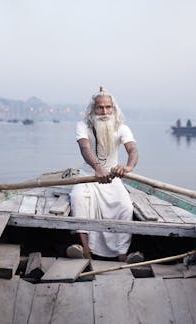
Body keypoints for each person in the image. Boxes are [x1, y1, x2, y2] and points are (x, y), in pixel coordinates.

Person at [67, 86, 142, 263]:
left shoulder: (122, 127)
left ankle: (122, 254)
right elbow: (84, 148)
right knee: (77, 198)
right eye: (100, 107)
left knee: (125, 207)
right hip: (88, 177)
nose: (104, 111)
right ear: (93, 109)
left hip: (112, 179)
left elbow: (133, 150)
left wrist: (128, 168)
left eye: (108, 107)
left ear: (113, 109)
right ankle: (86, 251)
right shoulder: (83, 125)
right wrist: (97, 167)